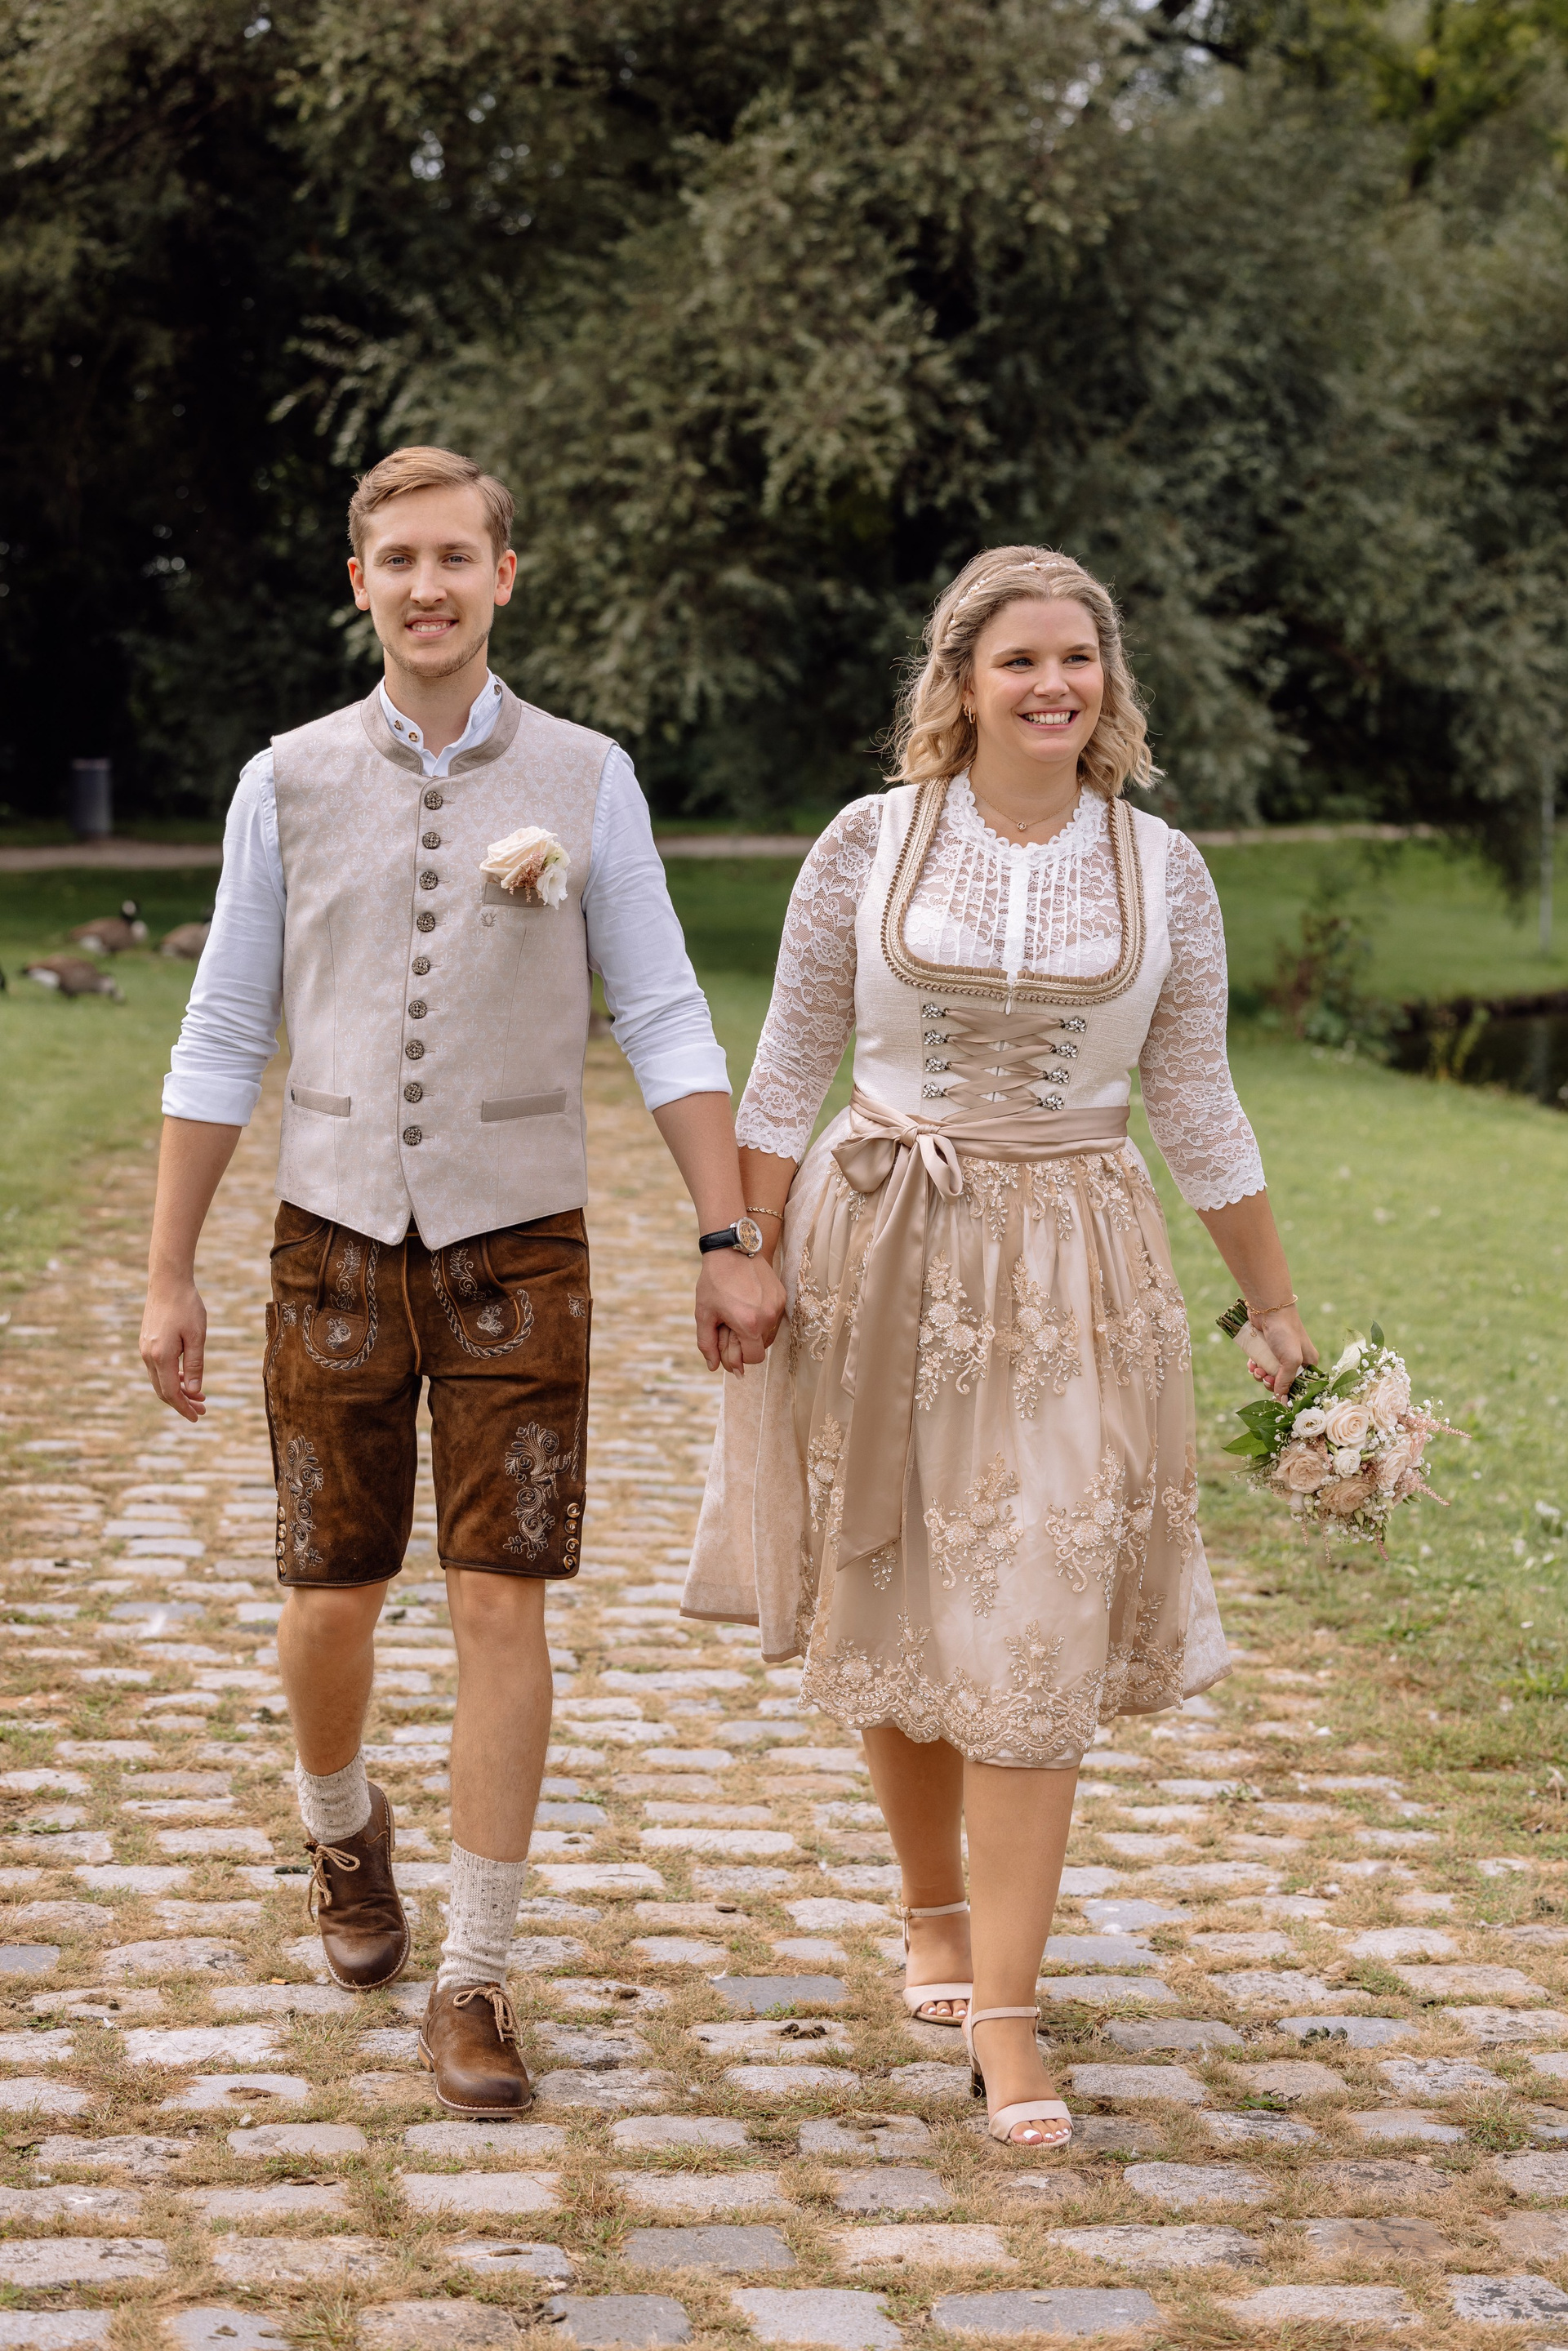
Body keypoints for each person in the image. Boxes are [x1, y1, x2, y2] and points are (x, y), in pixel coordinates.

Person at [140, 445, 784, 2115]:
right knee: (330, 1598)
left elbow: (663, 1011)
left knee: (503, 1598)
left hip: (523, 1246)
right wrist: (169, 1272)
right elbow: (223, 1027)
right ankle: (341, 1828)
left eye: (456, 557)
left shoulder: (589, 778)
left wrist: (728, 1236)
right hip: (332, 1242)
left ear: (506, 575)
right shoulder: (284, 780)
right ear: (359, 582)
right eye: (399, 559)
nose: (428, 586)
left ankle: (480, 1976)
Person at [683, 545, 1316, 2146]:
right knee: (899, 1580)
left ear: (1110, 680)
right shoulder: (867, 841)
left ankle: (1013, 2021)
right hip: (877, 1238)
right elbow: (789, 1066)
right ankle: (932, 1912)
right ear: (960, 681)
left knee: (1035, 1606)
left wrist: (1275, 1306)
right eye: (1019, 660)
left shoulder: (1163, 868)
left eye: (1076, 659)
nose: (1052, 686)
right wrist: (742, 1251)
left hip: (1078, 1261)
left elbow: (1196, 1099)